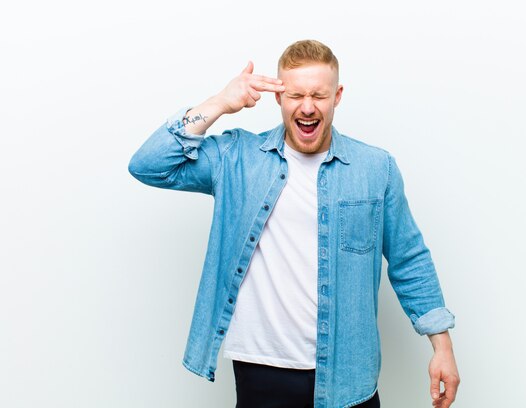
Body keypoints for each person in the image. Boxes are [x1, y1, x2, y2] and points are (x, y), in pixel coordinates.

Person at [128, 39, 460, 408]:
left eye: (319, 95)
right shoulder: (237, 158)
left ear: (338, 96)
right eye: (296, 95)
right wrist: (220, 102)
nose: (306, 107)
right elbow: (149, 165)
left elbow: (408, 257)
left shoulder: (374, 168)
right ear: (278, 98)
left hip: (348, 375)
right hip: (261, 369)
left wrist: (441, 345)